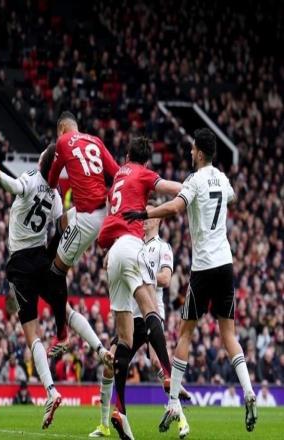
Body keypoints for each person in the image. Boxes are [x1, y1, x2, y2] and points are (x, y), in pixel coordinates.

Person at [123, 128, 257, 434]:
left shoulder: (193, 181)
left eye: (193, 149)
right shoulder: (222, 178)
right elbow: (231, 197)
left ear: (200, 152)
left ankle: (172, 403)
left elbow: (174, 207)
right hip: (226, 264)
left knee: (185, 334)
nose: (190, 152)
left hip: (204, 267)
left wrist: (143, 213)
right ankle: (249, 391)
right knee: (229, 334)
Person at [97, 137, 183, 439]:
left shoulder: (117, 178)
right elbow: (173, 189)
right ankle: (169, 374)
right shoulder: (142, 172)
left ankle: (120, 410)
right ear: (145, 161)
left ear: (126, 156)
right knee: (151, 309)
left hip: (113, 256)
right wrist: (192, 188)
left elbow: (108, 215)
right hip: (132, 246)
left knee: (125, 339)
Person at [89, 201, 190, 439]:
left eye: (149, 216)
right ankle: (104, 424)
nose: (144, 220)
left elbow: (165, 278)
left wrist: (142, 269)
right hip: (131, 313)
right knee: (111, 361)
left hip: (151, 312)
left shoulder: (162, 247)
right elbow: (110, 263)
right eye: (143, 217)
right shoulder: (134, 244)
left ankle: (181, 418)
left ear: (158, 220)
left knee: (156, 362)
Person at [0, 145, 64, 429]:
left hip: (21, 261)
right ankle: (97, 347)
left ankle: (50, 390)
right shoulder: (56, 193)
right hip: (42, 258)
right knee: (66, 310)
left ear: (42, 161)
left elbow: (14, 186)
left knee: (32, 334)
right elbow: (61, 225)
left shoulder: (31, 178)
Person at [47, 111, 117, 365]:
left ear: (62, 129)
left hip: (88, 218)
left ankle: (62, 335)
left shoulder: (63, 142)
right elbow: (116, 172)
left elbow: (51, 179)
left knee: (55, 273)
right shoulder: (95, 140)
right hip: (98, 208)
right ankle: (51, 256)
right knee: (62, 221)